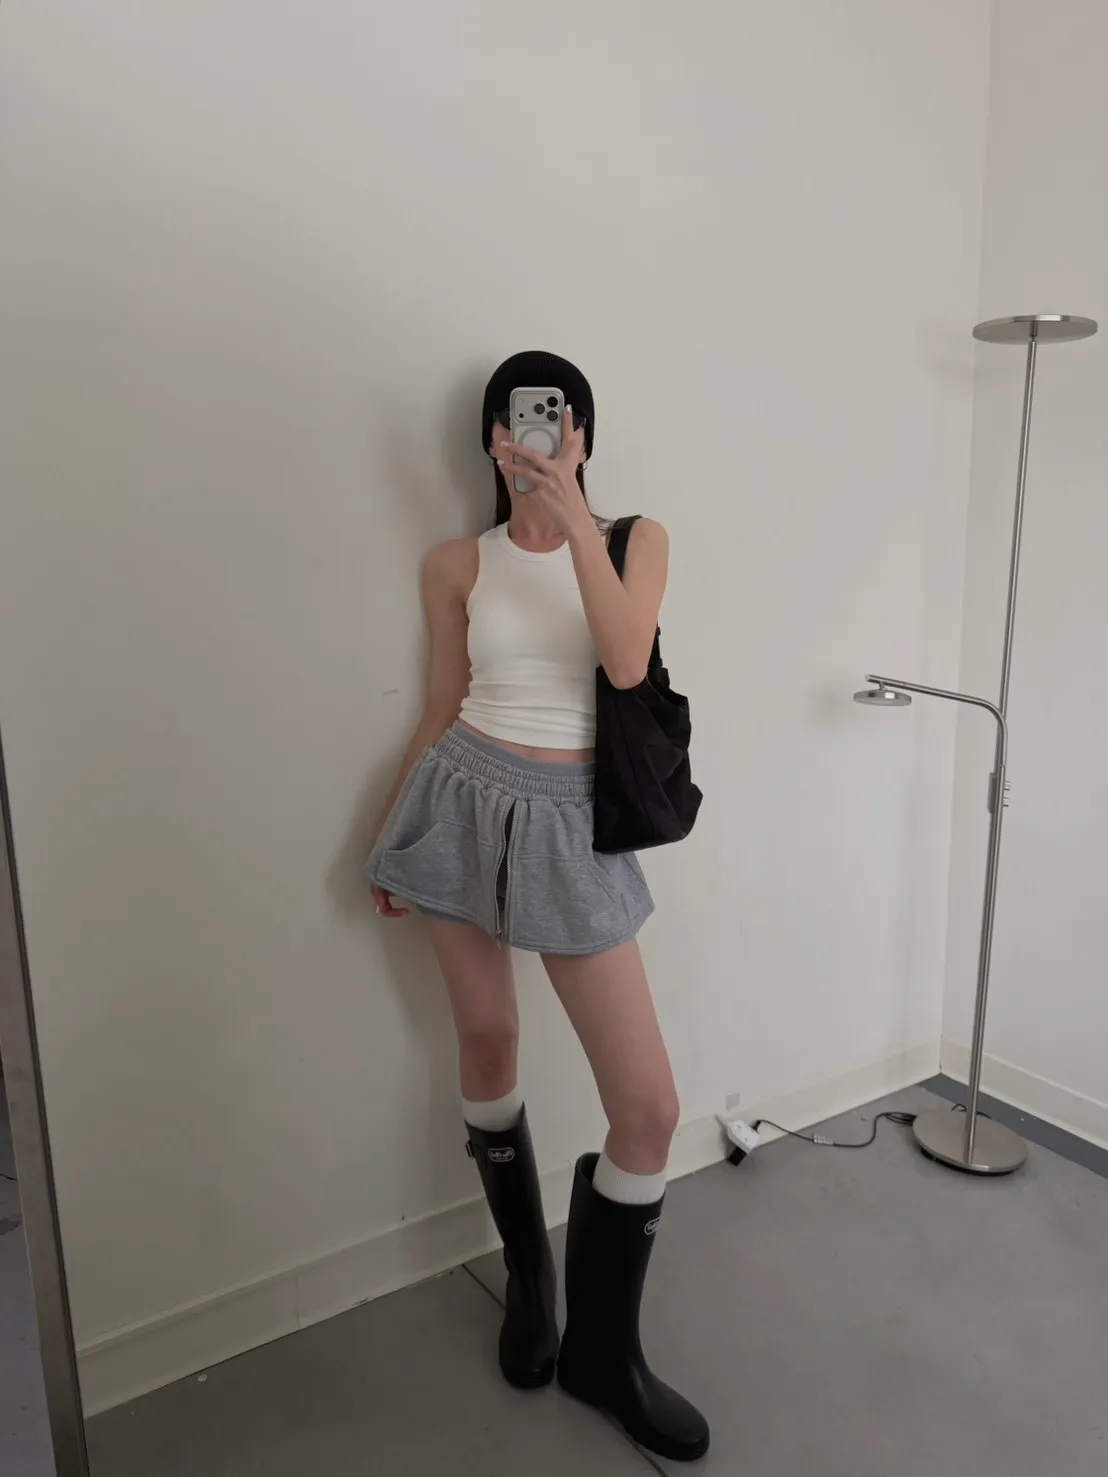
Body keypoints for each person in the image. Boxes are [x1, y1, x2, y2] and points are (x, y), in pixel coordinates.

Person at [365, 351, 708, 1463]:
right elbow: (439, 707)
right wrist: (393, 835)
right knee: (486, 1037)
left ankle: (605, 1352)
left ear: (581, 437)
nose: (532, 441)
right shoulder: (454, 562)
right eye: (514, 427)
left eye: (555, 424)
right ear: (491, 441)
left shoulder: (635, 541)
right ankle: (528, 1274)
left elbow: (624, 659)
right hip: (458, 803)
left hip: (571, 825)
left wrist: (572, 519)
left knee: (647, 1107)